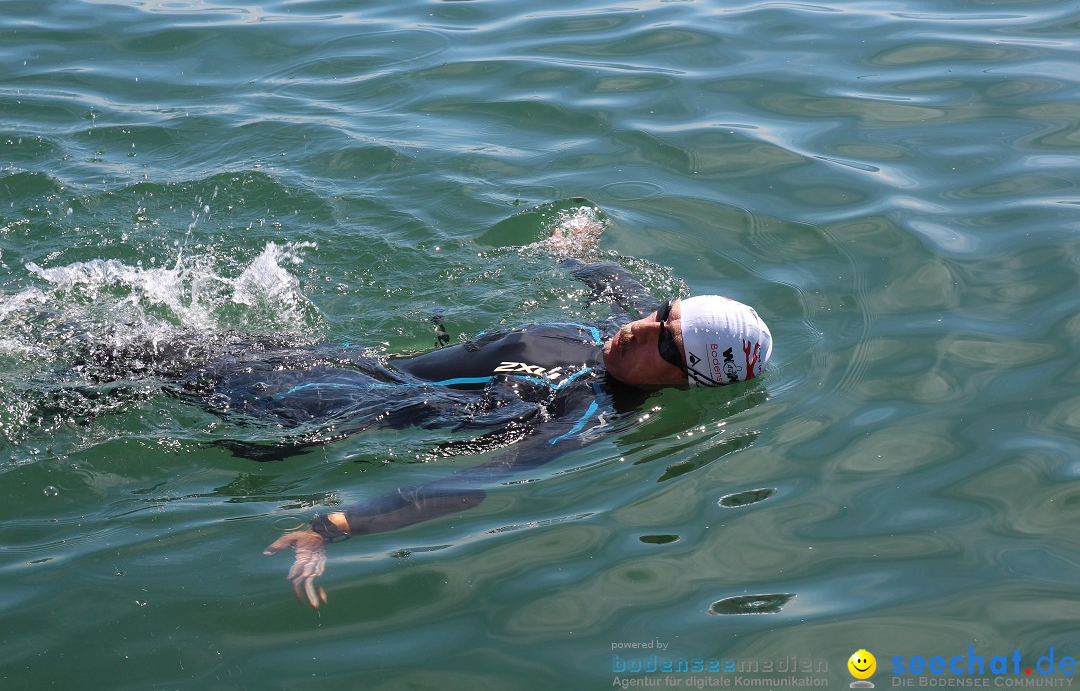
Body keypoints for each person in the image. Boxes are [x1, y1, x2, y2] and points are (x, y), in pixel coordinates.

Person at [79, 232, 773, 608]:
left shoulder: (583, 417)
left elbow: (477, 484)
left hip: (335, 406)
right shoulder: (626, 321)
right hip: (355, 360)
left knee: (123, 359)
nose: (641, 328)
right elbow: (622, 285)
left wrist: (336, 525)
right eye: (663, 315)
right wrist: (575, 247)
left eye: (667, 342)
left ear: (690, 380)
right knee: (121, 348)